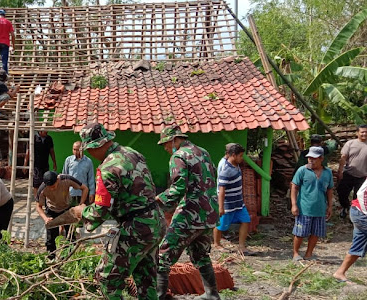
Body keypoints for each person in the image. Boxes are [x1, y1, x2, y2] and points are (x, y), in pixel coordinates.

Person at [70, 123, 165, 299]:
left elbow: (100, 211)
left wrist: (82, 212)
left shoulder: (108, 168)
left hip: (135, 228)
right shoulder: (132, 153)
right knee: (146, 279)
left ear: (96, 146)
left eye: (89, 149)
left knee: (107, 279)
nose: (89, 154)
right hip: (155, 222)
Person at [155, 125, 220, 300]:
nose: (166, 149)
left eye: (166, 144)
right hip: (210, 213)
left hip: (190, 214)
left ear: (175, 140)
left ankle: (159, 296)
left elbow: (178, 188)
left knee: (163, 255)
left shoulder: (178, 156)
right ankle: (212, 294)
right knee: (200, 254)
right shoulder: (203, 152)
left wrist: (156, 202)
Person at [291, 146, 334, 261]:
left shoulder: (328, 173)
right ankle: (295, 253)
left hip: (320, 209)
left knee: (315, 233)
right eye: (309, 158)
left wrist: (330, 206)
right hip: (304, 208)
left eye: (314, 158)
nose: (311, 160)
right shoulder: (302, 170)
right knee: (300, 232)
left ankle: (309, 254)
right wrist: (294, 204)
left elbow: (330, 190)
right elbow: (294, 187)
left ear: (321, 159)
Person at [36, 171, 88, 259]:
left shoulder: (66, 179)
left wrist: (81, 204)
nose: (52, 189)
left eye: (53, 186)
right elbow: (38, 206)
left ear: (58, 180)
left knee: (71, 237)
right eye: (50, 187)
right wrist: (45, 218)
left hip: (67, 209)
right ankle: (51, 259)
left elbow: (85, 188)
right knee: (51, 239)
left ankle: (68, 258)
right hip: (51, 211)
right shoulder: (42, 189)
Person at [213, 143, 253, 255]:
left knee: (246, 220)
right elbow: (221, 190)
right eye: (240, 156)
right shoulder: (226, 169)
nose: (242, 158)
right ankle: (216, 243)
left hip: (238, 203)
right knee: (221, 225)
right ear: (233, 155)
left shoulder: (236, 165)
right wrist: (221, 207)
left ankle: (242, 246)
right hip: (228, 203)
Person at [333, 179, 367, 283]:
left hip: (360, 212)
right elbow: (361, 194)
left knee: (359, 244)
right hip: (362, 213)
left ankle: (340, 272)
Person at [337, 125, 367, 218]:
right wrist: (340, 171)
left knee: (358, 196)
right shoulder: (350, 143)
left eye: (366, 132)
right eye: (362, 132)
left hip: (363, 176)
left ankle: (353, 214)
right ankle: (345, 206)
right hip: (348, 174)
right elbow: (343, 158)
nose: (364, 134)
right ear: (357, 133)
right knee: (341, 192)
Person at [25, 131, 57, 196]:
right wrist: (25, 164)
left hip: (45, 165)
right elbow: (28, 151)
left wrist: (54, 162)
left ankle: (44, 198)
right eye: (45, 131)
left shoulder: (49, 139)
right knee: (36, 184)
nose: (47, 132)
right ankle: (37, 199)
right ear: (40, 131)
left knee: (46, 182)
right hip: (36, 165)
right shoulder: (33, 138)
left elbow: (51, 151)